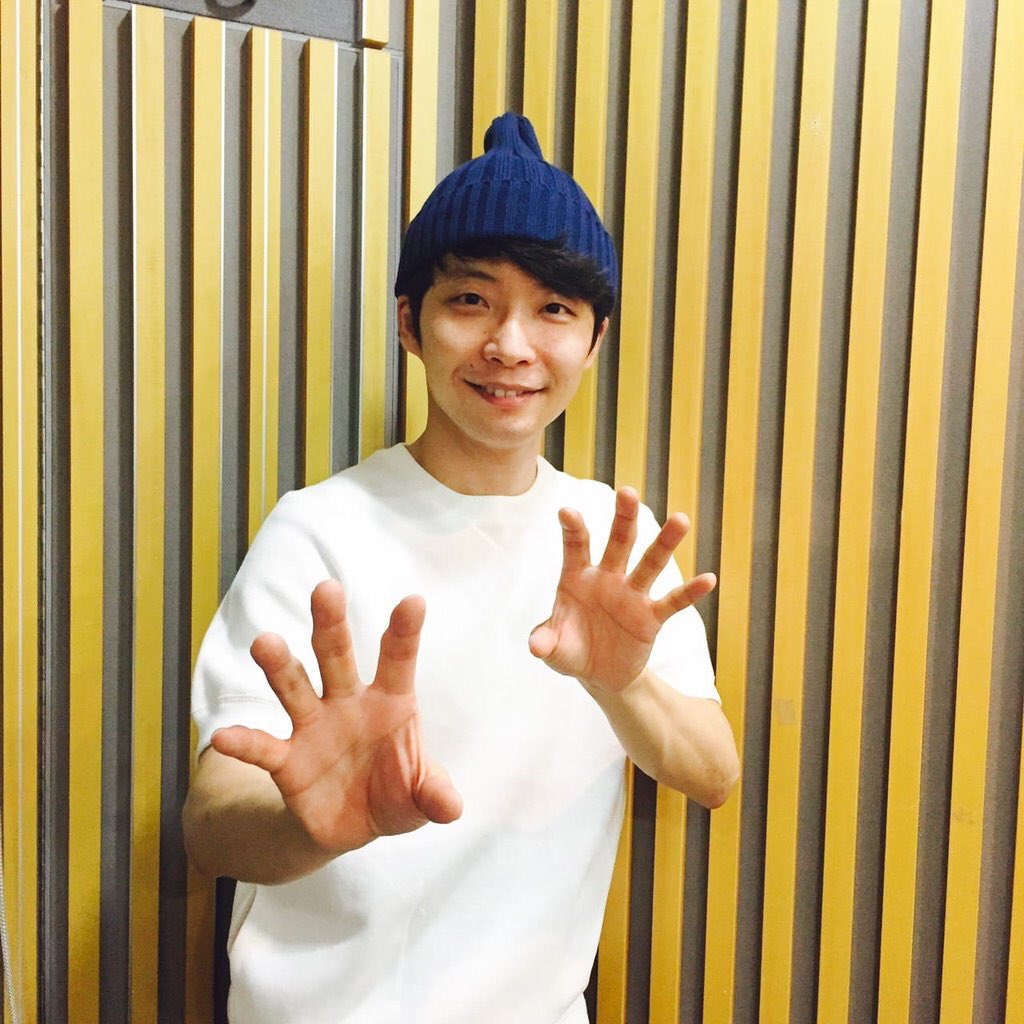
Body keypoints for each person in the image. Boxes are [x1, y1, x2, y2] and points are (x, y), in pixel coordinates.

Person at [183, 112, 739, 1024]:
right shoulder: (318, 530)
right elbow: (210, 822)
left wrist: (621, 682)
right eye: (471, 300)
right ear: (411, 322)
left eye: (554, 309)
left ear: (594, 339)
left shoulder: (611, 541)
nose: (511, 346)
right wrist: (305, 822)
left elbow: (712, 772)